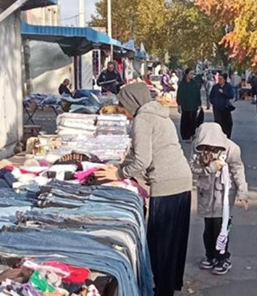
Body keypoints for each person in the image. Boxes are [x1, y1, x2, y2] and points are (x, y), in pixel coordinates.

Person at [95, 83, 192, 296]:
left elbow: (142, 160)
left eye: (123, 109)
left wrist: (118, 174)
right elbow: (145, 152)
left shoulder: (143, 119)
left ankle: (161, 290)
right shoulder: (159, 115)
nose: (126, 115)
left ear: (132, 103)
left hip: (167, 184)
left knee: (160, 244)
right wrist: (120, 167)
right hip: (182, 180)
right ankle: (169, 286)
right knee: (174, 241)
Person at [190, 123, 249, 276]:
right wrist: (210, 168)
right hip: (206, 192)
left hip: (223, 194)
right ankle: (210, 255)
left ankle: (223, 257)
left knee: (221, 227)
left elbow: (238, 170)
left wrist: (243, 192)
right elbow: (192, 168)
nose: (208, 148)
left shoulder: (231, 148)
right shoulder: (197, 147)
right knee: (208, 228)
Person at [177, 68, 202, 142]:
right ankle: (185, 136)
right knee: (185, 120)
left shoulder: (194, 83)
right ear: (187, 74)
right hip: (185, 105)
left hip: (194, 105)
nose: (192, 75)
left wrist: (199, 104)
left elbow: (198, 94)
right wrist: (179, 104)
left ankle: (192, 134)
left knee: (193, 121)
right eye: (191, 73)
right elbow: (179, 94)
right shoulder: (182, 84)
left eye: (193, 74)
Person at [209, 72, 235, 138]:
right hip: (217, 108)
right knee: (218, 123)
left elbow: (231, 95)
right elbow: (211, 96)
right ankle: (218, 137)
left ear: (225, 80)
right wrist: (214, 102)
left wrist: (223, 92)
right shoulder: (215, 87)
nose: (219, 80)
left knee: (228, 123)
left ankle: (227, 136)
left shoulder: (228, 86)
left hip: (225, 108)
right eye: (219, 79)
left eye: (221, 79)